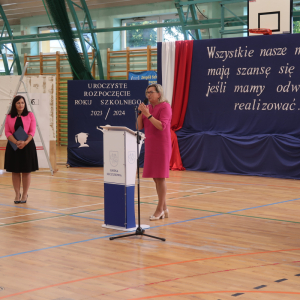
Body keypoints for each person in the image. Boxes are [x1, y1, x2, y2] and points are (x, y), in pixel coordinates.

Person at [137, 84, 172, 220]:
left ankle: (159, 209)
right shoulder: (148, 108)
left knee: (160, 177)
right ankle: (164, 208)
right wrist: (141, 113)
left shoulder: (165, 107)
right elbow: (139, 127)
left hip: (162, 145)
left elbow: (162, 126)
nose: (148, 95)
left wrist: (148, 114)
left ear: (159, 94)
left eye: (151, 92)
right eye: (147, 92)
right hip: (151, 146)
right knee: (155, 178)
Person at [4, 95, 39, 204]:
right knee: (15, 171)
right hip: (13, 146)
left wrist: (25, 142)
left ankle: (24, 194)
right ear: (14, 104)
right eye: (18, 103)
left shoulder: (30, 115)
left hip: (27, 146)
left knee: (26, 170)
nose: (21, 105)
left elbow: (32, 131)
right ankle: (17, 194)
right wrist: (16, 142)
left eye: (22, 103)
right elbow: (7, 132)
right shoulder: (9, 116)